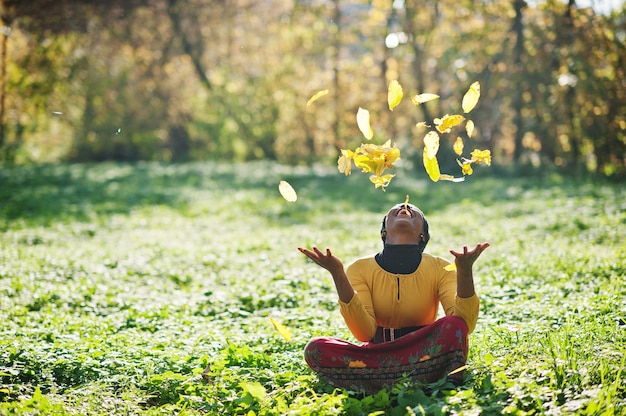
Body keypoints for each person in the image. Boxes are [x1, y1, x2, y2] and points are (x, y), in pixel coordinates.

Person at [298, 202, 489, 394]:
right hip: (376, 355)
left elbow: (464, 325)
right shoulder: (359, 268)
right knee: (316, 348)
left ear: (422, 234)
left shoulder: (441, 268)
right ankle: (417, 380)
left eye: (415, 211)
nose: (405, 207)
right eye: (397, 208)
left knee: (453, 324)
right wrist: (338, 273)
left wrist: (464, 271)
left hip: (424, 353)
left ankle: (379, 384)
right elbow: (364, 332)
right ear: (383, 232)